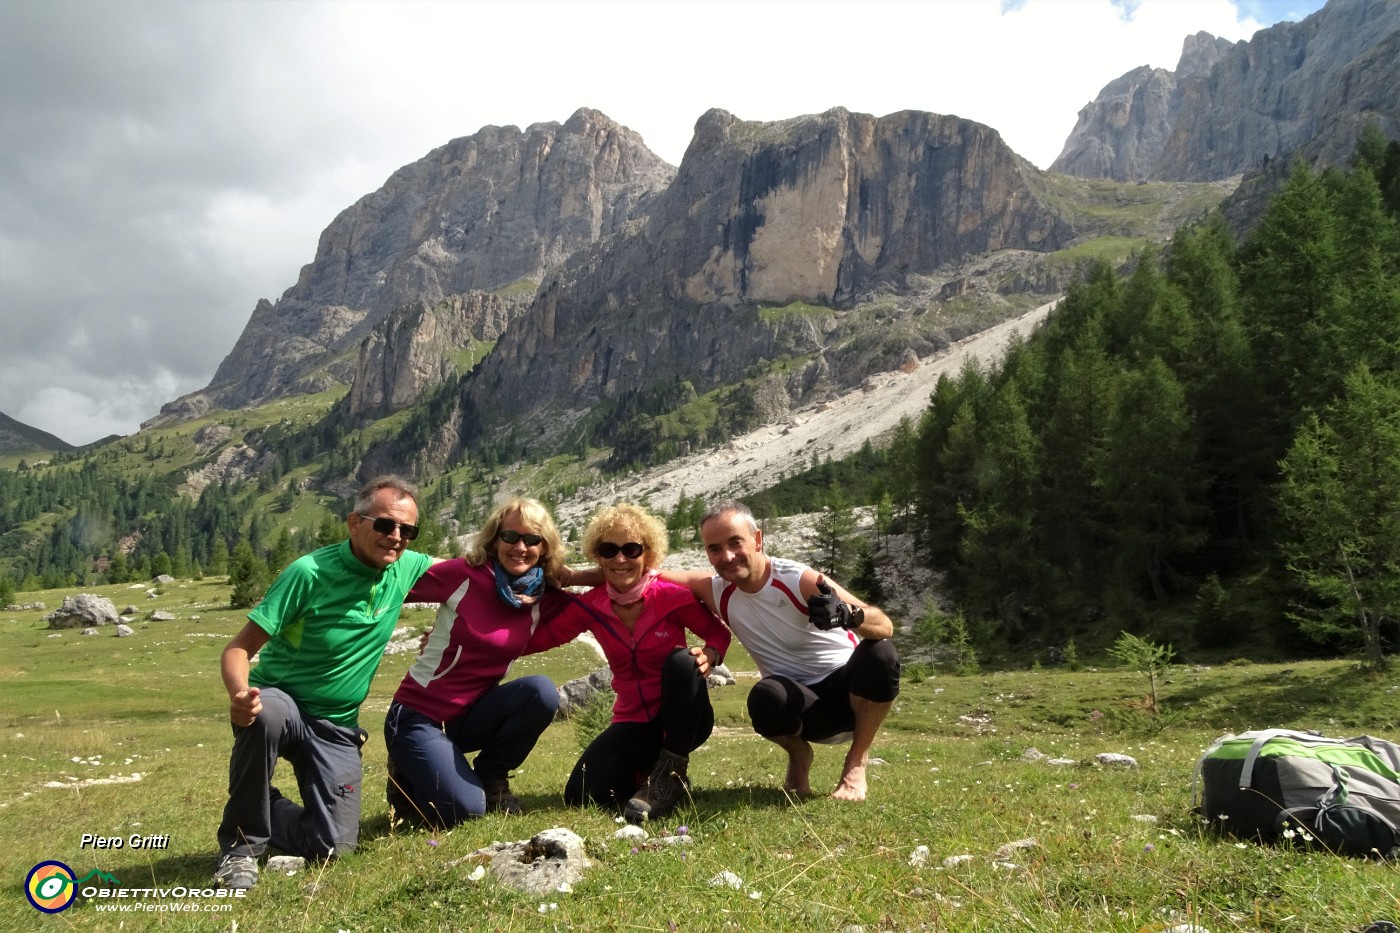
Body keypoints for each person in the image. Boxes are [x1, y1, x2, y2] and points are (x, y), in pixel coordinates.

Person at [214, 475, 434, 891]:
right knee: (265, 714)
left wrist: (576, 574)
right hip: (285, 705)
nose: (397, 537)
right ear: (354, 523)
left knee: (332, 849)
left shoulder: (407, 567)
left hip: (336, 725)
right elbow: (238, 648)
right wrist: (240, 695)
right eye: (385, 525)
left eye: (408, 530)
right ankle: (240, 851)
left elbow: (479, 573)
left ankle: (267, 804)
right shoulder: (308, 573)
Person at [666, 499, 899, 802]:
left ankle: (856, 765)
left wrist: (848, 616)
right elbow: (638, 574)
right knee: (763, 698)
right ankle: (800, 757)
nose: (727, 556)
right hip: (802, 706)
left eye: (736, 542)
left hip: (849, 696)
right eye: (714, 548)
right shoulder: (717, 590)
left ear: (757, 539)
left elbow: (885, 626)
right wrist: (583, 576)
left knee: (881, 654)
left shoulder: (798, 579)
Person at [526, 504, 731, 824]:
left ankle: (671, 772)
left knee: (682, 661)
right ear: (598, 555)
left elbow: (717, 633)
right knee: (580, 795)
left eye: (631, 549)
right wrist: (466, 642)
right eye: (609, 550)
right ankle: (652, 780)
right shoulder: (590, 606)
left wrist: (711, 654)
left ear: (647, 554)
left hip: (685, 717)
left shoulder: (671, 595)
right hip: (634, 721)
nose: (620, 559)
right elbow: (542, 639)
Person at [382, 497, 577, 828]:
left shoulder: (542, 596)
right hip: (419, 715)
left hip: (472, 717)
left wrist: (575, 575)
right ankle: (406, 773)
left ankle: (491, 774)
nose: (520, 547)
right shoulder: (465, 574)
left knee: (541, 692)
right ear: (494, 538)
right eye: (510, 536)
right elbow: (389, 579)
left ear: (544, 548)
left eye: (532, 539)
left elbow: (614, 587)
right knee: (466, 811)